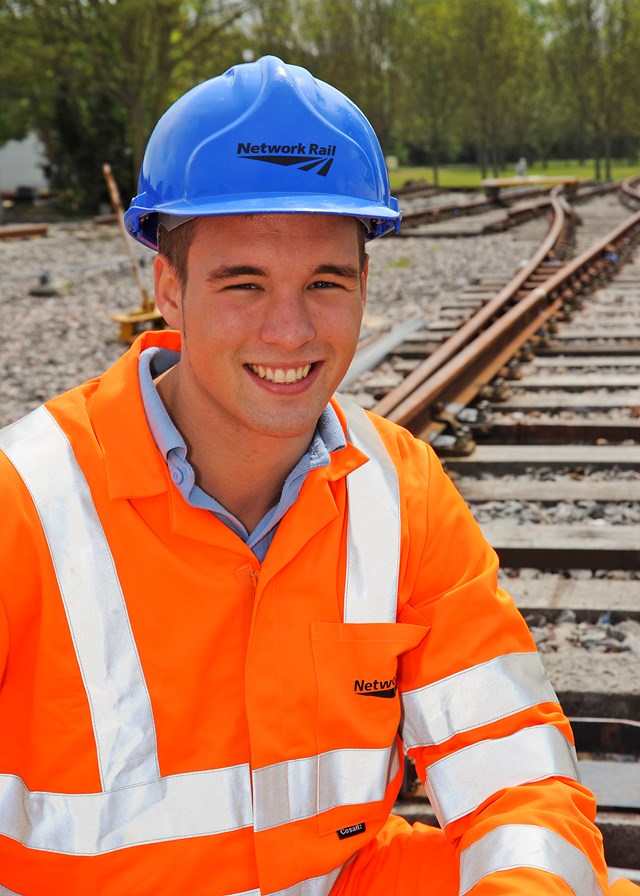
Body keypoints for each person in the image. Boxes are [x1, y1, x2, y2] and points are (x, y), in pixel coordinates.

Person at [0, 54, 637, 896]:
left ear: (366, 284)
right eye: (244, 283)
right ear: (170, 289)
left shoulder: (397, 490)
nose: (291, 330)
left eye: (326, 281)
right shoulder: (27, 503)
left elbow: (513, 764)